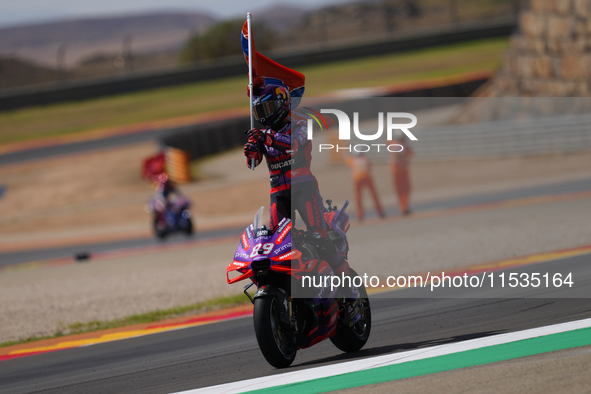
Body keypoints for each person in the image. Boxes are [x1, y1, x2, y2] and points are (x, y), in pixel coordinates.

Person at [243, 83, 328, 240]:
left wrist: (266, 139)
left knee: (319, 237)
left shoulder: (302, 126)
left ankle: (338, 265)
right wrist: (251, 152)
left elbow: (293, 146)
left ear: (281, 105)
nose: (263, 115)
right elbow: (252, 163)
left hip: (304, 188)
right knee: (277, 239)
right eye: (260, 110)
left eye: (267, 109)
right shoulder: (261, 135)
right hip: (278, 193)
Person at [345, 152, 385, 220]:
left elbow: (346, 158)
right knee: (374, 195)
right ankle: (380, 211)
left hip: (358, 179)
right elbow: (370, 166)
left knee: (358, 197)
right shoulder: (366, 159)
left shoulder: (353, 160)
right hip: (367, 177)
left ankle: (360, 214)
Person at [389, 131, 413, 215]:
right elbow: (410, 153)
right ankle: (404, 208)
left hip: (395, 170)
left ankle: (403, 207)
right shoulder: (403, 146)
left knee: (400, 190)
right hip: (402, 170)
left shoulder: (393, 144)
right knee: (405, 190)